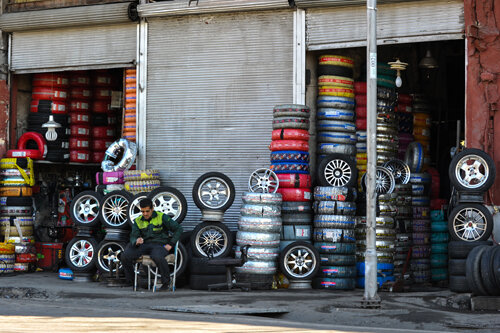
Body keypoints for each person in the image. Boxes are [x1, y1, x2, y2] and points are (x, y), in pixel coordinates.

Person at [121, 198, 183, 291]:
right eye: (142, 211)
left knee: (157, 256)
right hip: (144, 245)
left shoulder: (161, 217)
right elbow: (133, 236)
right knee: (125, 256)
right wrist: (136, 240)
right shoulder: (138, 221)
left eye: (147, 211)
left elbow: (179, 229)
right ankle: (132, 281)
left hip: (159, 245)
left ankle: (166, 282)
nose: (145, 214)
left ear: (152, 209)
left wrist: (171, 244)